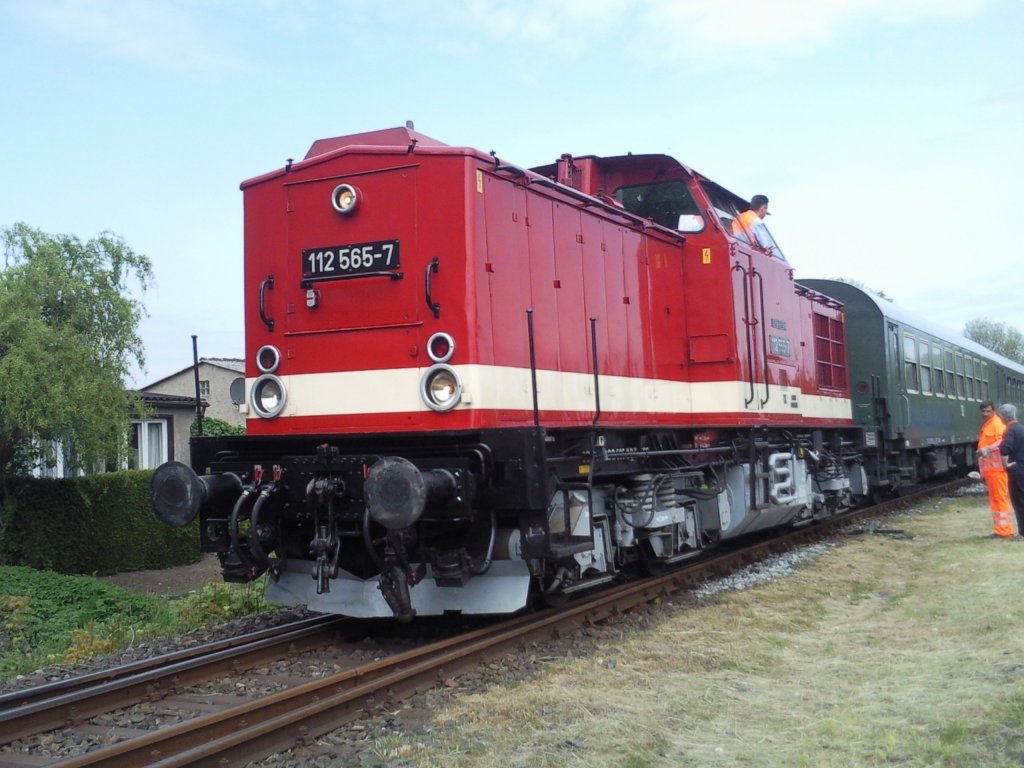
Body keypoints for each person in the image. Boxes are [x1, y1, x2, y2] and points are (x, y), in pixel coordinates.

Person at [976, 400, 1014, 538]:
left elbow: (1002, 442)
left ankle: (1004, 531)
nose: (985, 414)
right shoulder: (988, 425)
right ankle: (1000, 529)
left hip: (997, 470)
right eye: (983, 411)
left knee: (1000, 499)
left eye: (988, 411)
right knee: (996, 500)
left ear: (994, 411)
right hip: (992, 471)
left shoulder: (997, 424)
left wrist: (987, 449)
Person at [997, 403, 1024, 537]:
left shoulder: (1010, 430)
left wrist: (1005, 465)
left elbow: (1004, 448)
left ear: (1002, 417)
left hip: (1017, 470)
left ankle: (1023, 533)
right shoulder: (1021, 428)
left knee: (1019, 502)